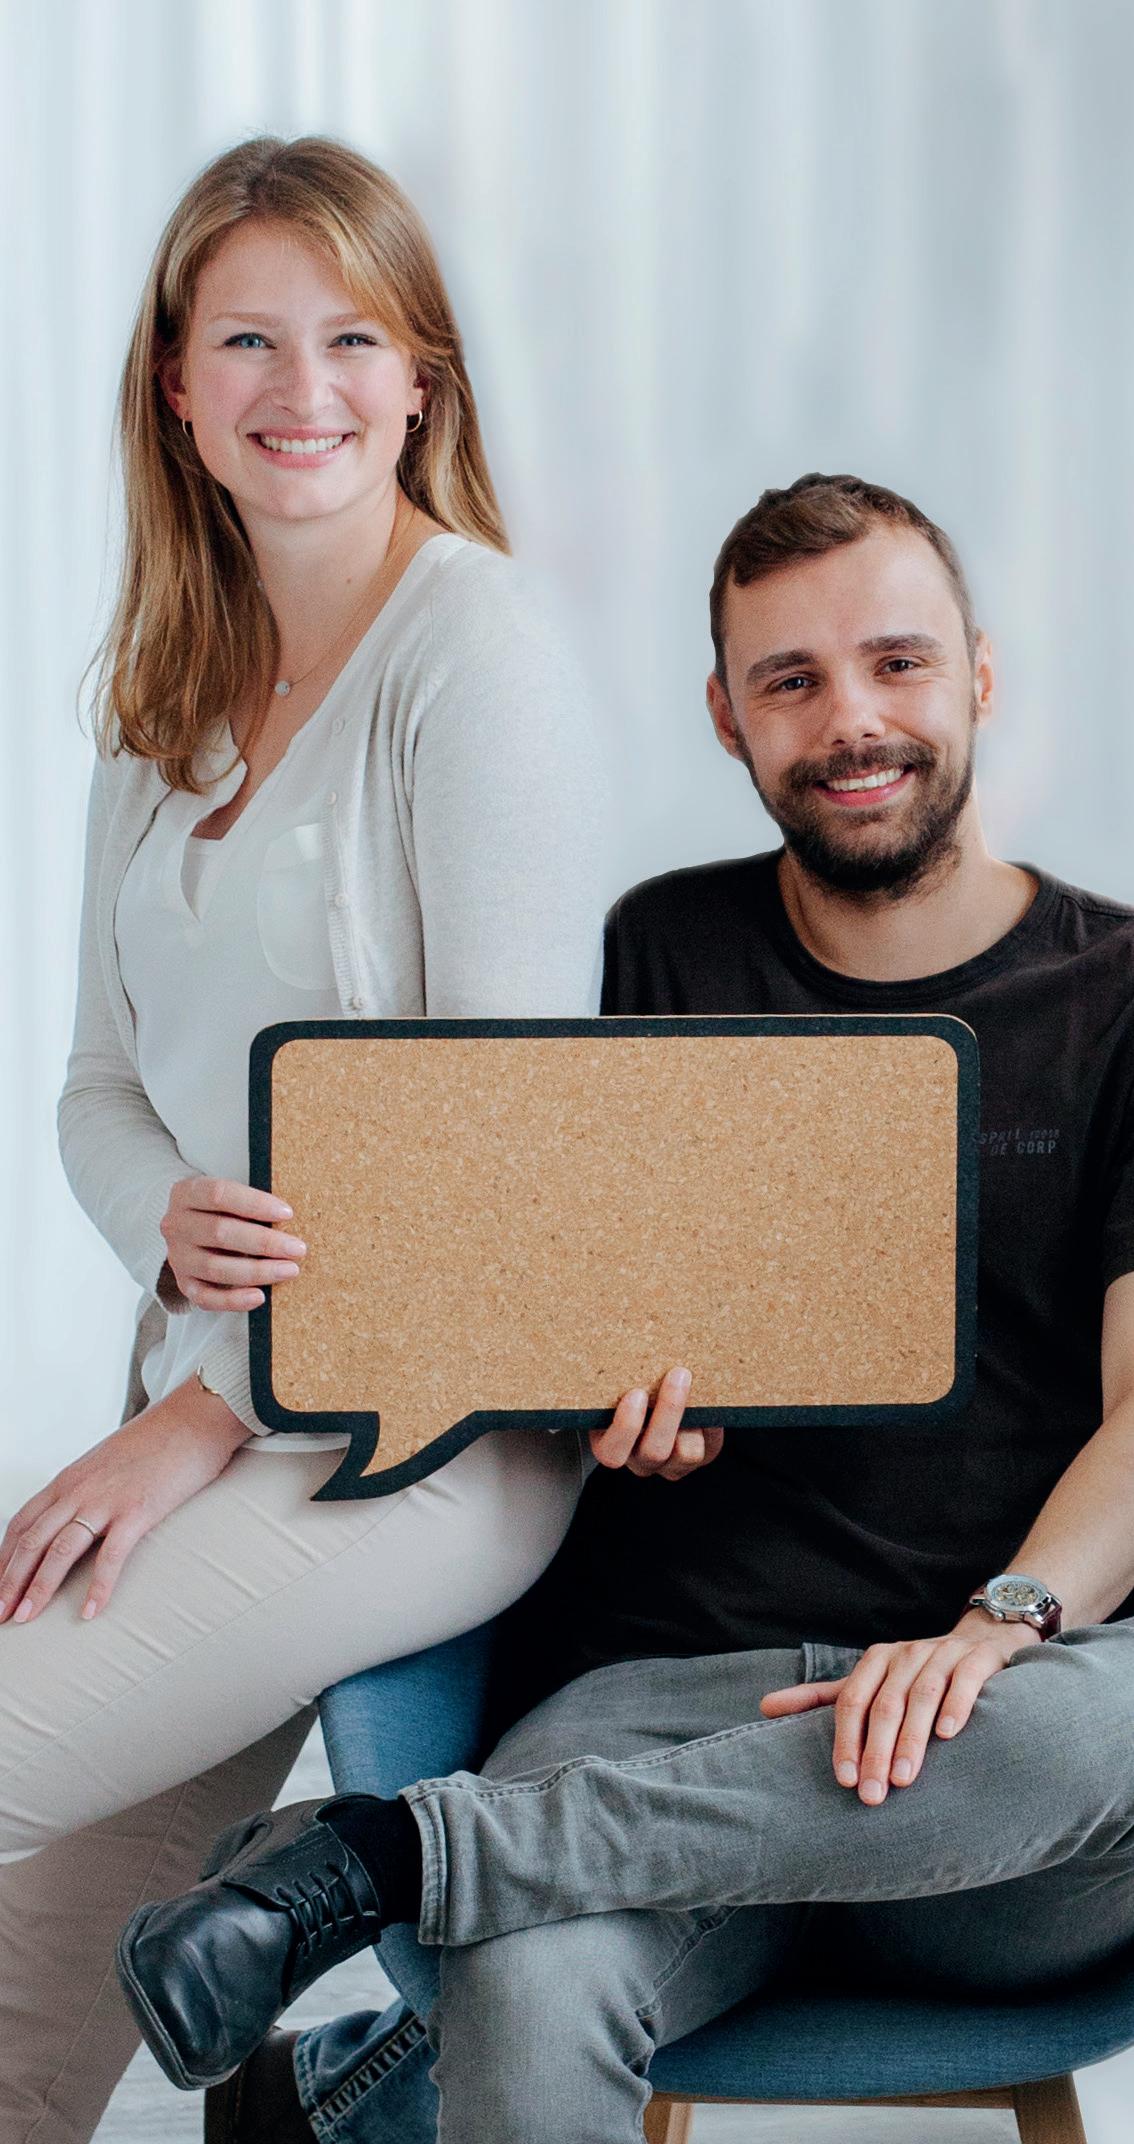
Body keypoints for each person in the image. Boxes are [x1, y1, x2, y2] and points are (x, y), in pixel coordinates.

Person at [119, 473, 1134, 2144]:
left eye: (894, 662)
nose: (851, 719)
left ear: (977, 674)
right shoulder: (654, 950)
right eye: (790, 679)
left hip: (1000, 1751)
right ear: (725, 717)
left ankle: (382, 1865)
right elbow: (504, 1297)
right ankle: (391, 2032)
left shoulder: (1117, 995)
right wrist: (586, 1400)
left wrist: (999, 1628)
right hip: (665, 1700)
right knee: (531, 1989)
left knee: (1106, 1721)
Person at [0, 135, 719, 2144]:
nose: (297, 387)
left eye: (350, 339)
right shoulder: (162, 703)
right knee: (28, 2012)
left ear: (421, 383)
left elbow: (491, 1149)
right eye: (246, 339)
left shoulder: (473, 656)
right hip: (208, 1402)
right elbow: (93, 1086)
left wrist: (198, 1415)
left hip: (422, 1441)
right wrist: (168, 1218)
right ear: (174, 385)